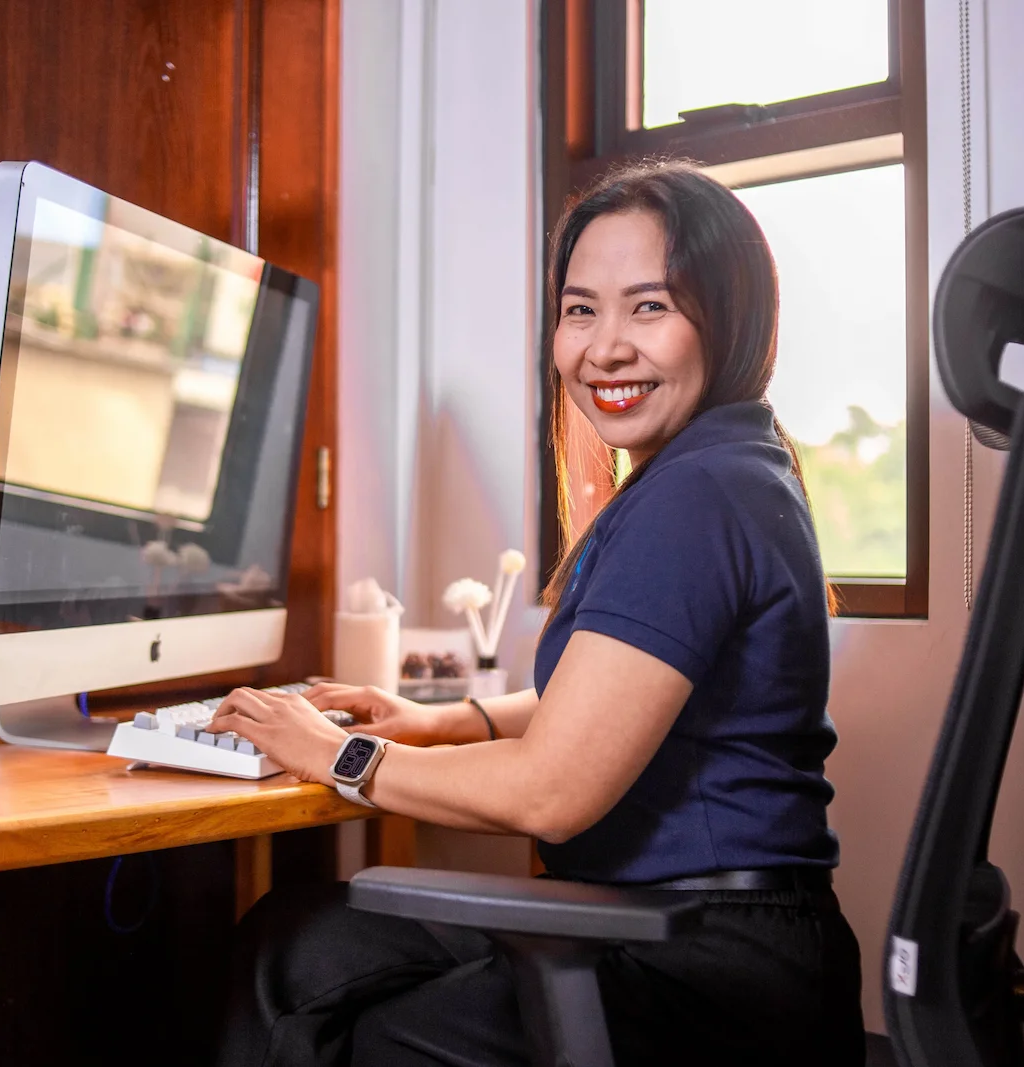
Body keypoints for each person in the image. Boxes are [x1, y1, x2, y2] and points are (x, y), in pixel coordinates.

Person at [205, 160, 864, 1066]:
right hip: (712, 938)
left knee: (317, 1000)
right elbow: (619, 696)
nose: (604, 347)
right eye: (581, 309)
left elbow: (552, 791)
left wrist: (340, 754)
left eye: (650, 306)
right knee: (299, 942)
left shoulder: (697, 496)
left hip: (703, 970)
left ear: (731, 315)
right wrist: (435, 723)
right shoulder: (724, 469)